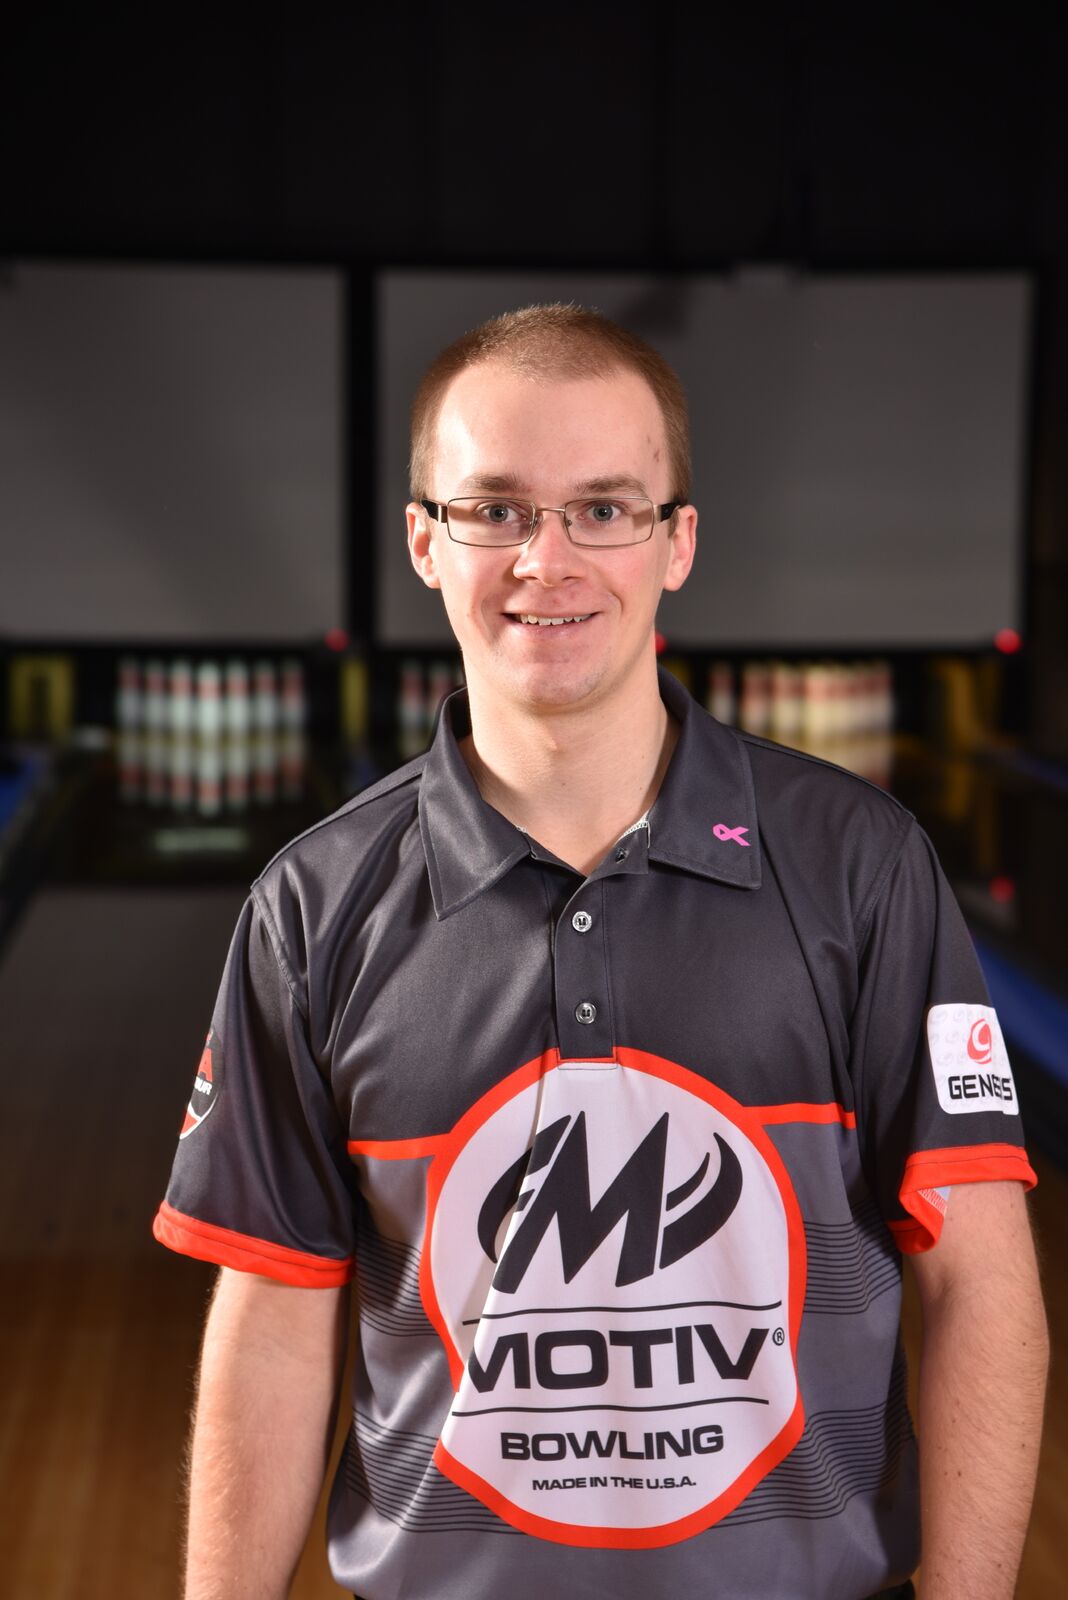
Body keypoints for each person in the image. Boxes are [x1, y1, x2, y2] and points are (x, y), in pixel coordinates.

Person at [155, 304, 1048, 1600]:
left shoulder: (860, 868)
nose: (548, 558)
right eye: (495, 509)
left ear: (677, 541)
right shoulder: (315, 906)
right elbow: (276, 1323)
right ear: (425, 539)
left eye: (604, 509)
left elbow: (981, 1285)